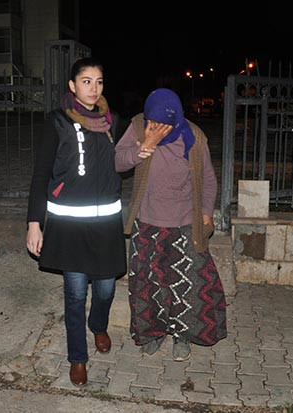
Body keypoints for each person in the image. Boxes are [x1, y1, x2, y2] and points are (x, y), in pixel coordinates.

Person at [26, 57, 127, 387]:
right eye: (86, 81)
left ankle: (98, 324)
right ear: (72, 85)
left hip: (106, 225)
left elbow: (127, 161)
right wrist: (34, 222)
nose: (93, 88)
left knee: (106, 290)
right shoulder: (57, 121)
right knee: (75, 295)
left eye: (99, 82)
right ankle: (78, 359)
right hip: (69, 225)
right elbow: (41, 174)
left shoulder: (113, 122)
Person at [114, 88, 227, 361]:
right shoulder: (138, 127)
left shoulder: (194, 136)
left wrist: (206, 212)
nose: (158, 128)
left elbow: (208, 179)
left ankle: (182, 336)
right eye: (153, 122)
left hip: (184, 223)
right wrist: (145, 145)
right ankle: (151, 333)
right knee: (148, 285)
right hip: (147, 221)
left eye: (164, 123)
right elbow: (117, 162)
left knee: (185, 284)